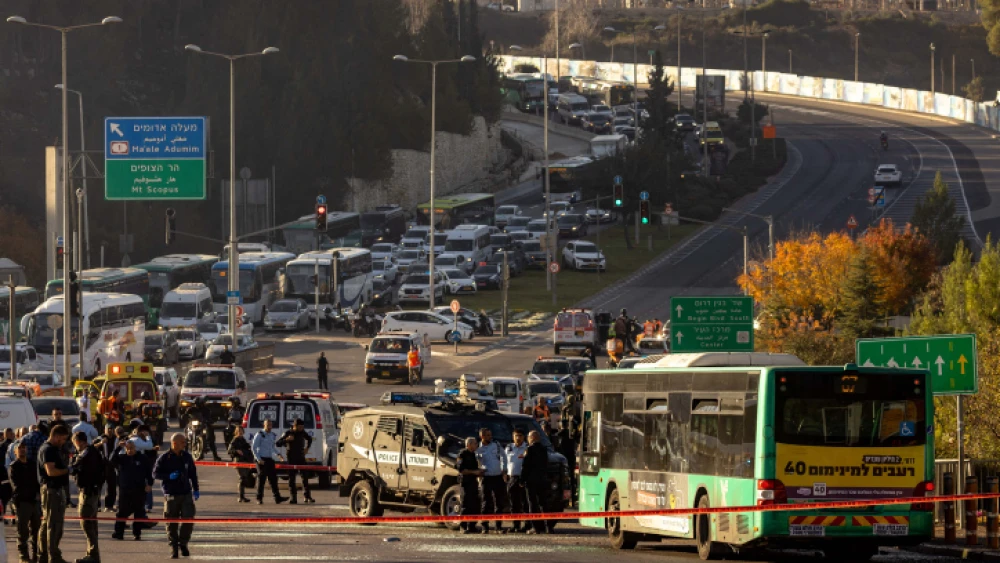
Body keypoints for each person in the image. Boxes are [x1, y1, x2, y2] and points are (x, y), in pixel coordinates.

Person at [153, 433, 199, 559]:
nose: (185, 444)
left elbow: (193, 474)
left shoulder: (187, 457)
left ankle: (183, 543)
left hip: (186, 493)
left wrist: (196, 489)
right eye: (183, 442)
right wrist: (168, 476)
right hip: (171, 494)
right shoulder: (164, 458)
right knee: (171, 522)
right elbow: (155, 473)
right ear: (175, 443)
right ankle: (173, 547)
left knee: (188, 519)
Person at [70, 430, 104, 563]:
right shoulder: (93, 452)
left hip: (88, 492)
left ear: (78, 442)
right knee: (91, 523)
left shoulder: (86, 454)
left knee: (87, 523)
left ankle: (93, 555)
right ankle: (92, 553)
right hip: (92, 491)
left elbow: (76, 468)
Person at [37, 425, 70, 563]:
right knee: (54, 525)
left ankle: (44, 555)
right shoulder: (48, 450)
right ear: (55, 436)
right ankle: (54, 557)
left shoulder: (53, 449)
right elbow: (51, 471)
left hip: (53, 490)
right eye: (62, 439)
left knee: (47, 524)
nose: (63, 442)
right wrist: (67, 470)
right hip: (52, 490)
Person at [111, 440, 153, 541]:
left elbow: (149, 473)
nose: (130, 450)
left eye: (132, 448)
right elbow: (111, 460)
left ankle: (137, 533)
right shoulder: (122, 458)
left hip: (139, 489)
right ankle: (119, 533)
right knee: (122, 512)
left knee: (138, 512)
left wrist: (150, 484)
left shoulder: (142, 458)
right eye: (128, 448)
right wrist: (117, 448)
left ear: (135, 448)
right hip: (125, 490)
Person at [10, 441, 40, 563]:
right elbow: (16, 486)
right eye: (20, 448)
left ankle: (36, 555)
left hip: (34, 502)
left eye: (24, 448)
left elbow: (37, 481)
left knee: (36, 530)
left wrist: (37, 495)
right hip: (22, 502)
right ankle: (24, 556)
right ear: (15, 452)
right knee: (22, 531)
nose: (22, 450)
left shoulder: (32, 464)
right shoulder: (14, 466)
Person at [475, 427, 508, 534]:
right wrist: (478, 471)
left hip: (497, 477)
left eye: (490, 435)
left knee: (499, 502)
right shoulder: (478, 449)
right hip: (486, 478)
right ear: (482, 436)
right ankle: (485, 526)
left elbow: (504, 456)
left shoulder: (496, 445)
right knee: (486, 502)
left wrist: (504, 468)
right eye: (488, 435)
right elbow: (474, 462)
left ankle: (498, 526)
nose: (490, 437)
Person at [277, 418, 315, 504]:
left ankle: (307, 496)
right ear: (295, 426)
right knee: (292, 478)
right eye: (300, 427)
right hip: (291, 458)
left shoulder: (302, 432)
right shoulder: (288, 433)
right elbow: (278, 443)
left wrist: (307, 448)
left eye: (302, 427)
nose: (302, 428)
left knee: (305, 477)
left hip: (301, 457)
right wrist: (286, 440)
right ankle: (293, 497)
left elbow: (310, 439)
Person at [251, 419, 288, 505]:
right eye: (268, 425)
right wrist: (258, 459)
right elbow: (254, 447)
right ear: (264, 425)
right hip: (261, 459)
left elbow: (272, 447)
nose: (269, 427)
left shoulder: (272, 435)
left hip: (269, 459)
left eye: (270, 425)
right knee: (262, 479)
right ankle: (259, 498)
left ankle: (277, 498)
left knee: (273, 479)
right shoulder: (259, 434)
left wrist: (278, 454)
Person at [522, 430, 550, 535]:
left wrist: (522, 479)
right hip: (542, 480)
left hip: (531, 481)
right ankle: (548, 527)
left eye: (528, 437)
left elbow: (525, 466)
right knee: (543, 504)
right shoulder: (544, 449)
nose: (528, 440)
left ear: (532, 438)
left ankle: (535, 527)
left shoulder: (529, 449)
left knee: (532, 504)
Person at [504, 427, 529, 534]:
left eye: (520, 436)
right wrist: (504, 473)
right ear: (513, 437)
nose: (518, 438)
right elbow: (504, 462)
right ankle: (516, 525)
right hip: (511, 478)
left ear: (524, 437)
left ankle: (527, 526)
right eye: (516, 436)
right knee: (513, 504)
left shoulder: (527, 448)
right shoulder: (509, 448)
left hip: (522, 479)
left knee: (525, 503)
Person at [130, 425, 159, 512]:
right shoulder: (136, 440)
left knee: (148, 485)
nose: (142, 433)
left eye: (144, 431)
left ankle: (148, 506)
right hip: (136, 466)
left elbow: (152, 448)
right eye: (140, 432)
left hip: (148, 464)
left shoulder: (151, 439)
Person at [457, 437, 483, 534]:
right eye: (475, 443)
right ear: (469, 445)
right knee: (465, 505)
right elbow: (461, 470)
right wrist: (474, 472)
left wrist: (480, 472)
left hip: (473, 482)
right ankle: (463, 526)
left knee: (475, 505)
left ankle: (472, 526)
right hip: (466, 483)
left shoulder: (474, 455)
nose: (477, 445)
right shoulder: (462, 454)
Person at [95, 424, 120, 513]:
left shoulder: (117, 439)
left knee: (112, 486)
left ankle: (109, 506)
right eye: (108, 429)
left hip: (112, 465)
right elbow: (91, 447)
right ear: (105, 429)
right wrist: (101, 443)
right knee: (98, 486)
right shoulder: (100, 438)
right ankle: (96, 505)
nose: (110, 430)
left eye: (111, 429)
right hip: (101, 465)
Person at [226, 426, 254, 503]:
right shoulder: (235, 440)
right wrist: (236, 451)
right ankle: (241, 497)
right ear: (236, 432)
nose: (240, 432)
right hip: (238, 461)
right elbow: (229, 450)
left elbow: (248, 448)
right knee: (242, 478)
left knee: (244, 478)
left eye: (241, 431)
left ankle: (242, 496)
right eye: (238, 431)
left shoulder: (243, 440)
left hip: (245, 461)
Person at [193, 397, 220, 461]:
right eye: (196, 403)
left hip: (204, 425)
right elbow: (187, 414)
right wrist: (185, 416)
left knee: (211, 438)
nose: (197, 405)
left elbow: (210, 417)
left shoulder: (206, 410)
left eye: (198, 403)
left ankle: (215, 455)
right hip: (195, 425)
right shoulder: (192, 409)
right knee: (187, 432)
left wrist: (210, 420)